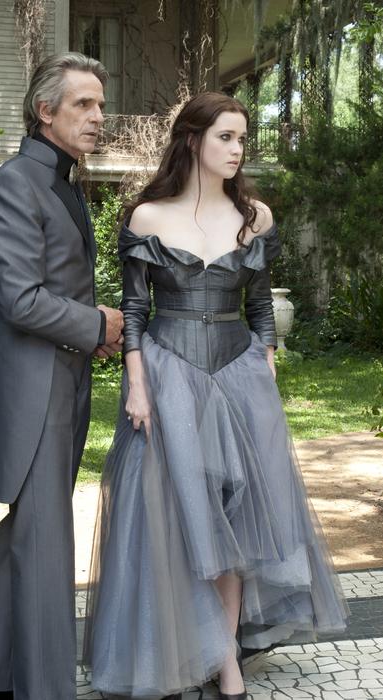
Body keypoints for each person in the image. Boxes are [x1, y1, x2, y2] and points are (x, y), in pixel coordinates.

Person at [83, 92, 348, 700]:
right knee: (178, 521)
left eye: (241, 139)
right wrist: (137, 386)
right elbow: (134, 309)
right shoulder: (148, 217)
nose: (237, 149)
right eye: (225, 137)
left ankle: (226, 660)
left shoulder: (256, 217)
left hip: (238, 377)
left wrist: (265, 368)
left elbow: (260, 307)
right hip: (168, 377)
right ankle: (178, 651)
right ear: (193, 139)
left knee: (237, 523)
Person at [0, 52, 124, 700]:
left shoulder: (61, 183)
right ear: (45, 110)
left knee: (28, 537)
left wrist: (91, 334)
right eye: (84, 103)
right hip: (32, 393)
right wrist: (97, 323)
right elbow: (19, 299)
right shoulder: (14, 184)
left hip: (62, 383)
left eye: (101, 104)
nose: (98, 116)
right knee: (45, 544)